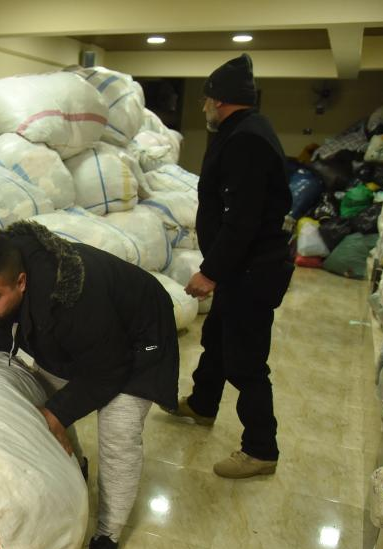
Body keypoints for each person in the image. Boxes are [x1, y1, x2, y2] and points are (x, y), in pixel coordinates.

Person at [0, 221, 178, 549]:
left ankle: (107, 537)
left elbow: (109, 370)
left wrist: (55, 415)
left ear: (21, 282)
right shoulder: (6, 267)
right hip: (88, 338)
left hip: (139, 338)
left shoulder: (75, 301)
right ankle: (74, 467)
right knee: (44, 398)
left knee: (118, 434)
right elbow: (5, 327)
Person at [168, 53, 294, 479]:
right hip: (243, 267)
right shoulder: (244, 130)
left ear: (218, 100)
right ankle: (203, 404)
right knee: (217, 338)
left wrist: (211, 272)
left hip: (252, 271)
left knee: (246, 361)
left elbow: (242, 219)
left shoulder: (246, 141)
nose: (204, 106)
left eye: (206, 100)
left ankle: (261, 449)